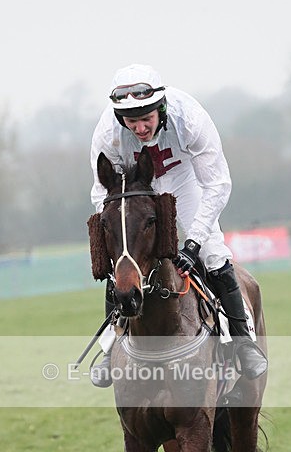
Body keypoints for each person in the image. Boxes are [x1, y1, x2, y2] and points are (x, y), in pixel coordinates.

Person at [89, 63, 267, 387]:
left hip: (183, 178)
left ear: (162, 108)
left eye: (146, 118)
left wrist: (194, 241)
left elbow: (217, 184)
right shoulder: (107, 135)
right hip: (138, 187)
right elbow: (102, 192)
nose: (140, 128)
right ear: (119, 120)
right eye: (132, 121)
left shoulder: (191, 117)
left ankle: (243, 345)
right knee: (125, 262)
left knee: (213, 253)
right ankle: (110, 349)